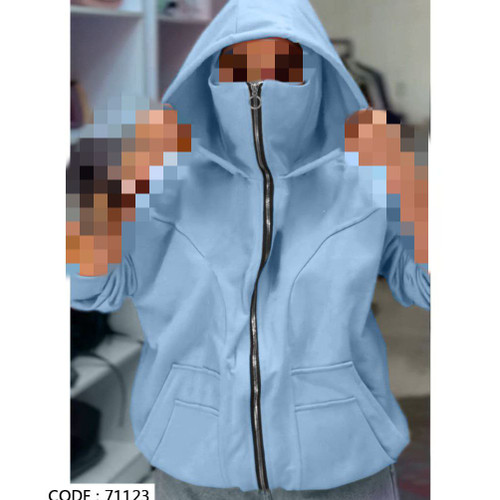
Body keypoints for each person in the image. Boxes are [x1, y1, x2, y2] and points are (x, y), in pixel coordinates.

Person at [69, 0, 430, 498]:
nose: (258, 86)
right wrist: (105, 192)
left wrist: (415, 192)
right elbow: (84, 287)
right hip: (194, 465)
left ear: (319, 72)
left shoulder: (363, 175)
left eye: (284, 67)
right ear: (207, 74)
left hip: (343, 462)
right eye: (236, 66)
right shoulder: (157, 179)